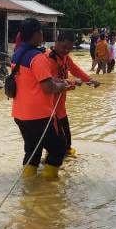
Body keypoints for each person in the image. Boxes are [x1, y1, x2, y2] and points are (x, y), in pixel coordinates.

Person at [11, 18, 69, 180]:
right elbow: (48, 87)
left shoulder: (17, 54)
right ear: (36, 34)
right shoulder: (38, 57)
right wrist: (62, 86)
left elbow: (34, 79)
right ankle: (49, 186)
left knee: (32, 150)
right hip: (39, 116)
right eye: (41, 31)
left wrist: (59, 81)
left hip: (20, 114)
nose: (42, 34)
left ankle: (29, 185)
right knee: (59, 148)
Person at [47, 30, 100, 158]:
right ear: (56, 42)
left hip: (60, 108)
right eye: (64, 47)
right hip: (50, 109)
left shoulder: (65, 57)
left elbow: (75, 70)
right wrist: (73, 82)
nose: (66, 51)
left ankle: (65, 161)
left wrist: (90, 80)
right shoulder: (48, 58)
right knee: (58, 144)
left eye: (69, 49)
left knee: (67, 142)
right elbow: (51, 82)